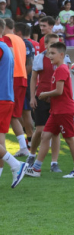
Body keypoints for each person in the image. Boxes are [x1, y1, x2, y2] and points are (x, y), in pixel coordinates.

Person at [26, 41, 74, 179]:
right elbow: (61, 91)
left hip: (64, 111)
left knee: (70, 140)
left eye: (52, 53)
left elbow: (58, 91)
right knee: (45, 136)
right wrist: (49, 98)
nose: (49, 56)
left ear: (62, 54)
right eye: (48, 53)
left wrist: (45, 94)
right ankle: (36, 169)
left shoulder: (61, 69)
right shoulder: (58, 69)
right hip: (56, 110)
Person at [0, 30, 27, 188]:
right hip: (6, 97)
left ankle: (16, 164)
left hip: (1, 97)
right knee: (0, 138)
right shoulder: (5, 46)